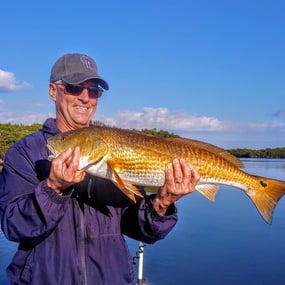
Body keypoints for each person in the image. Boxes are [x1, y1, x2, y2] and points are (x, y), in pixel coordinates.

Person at [0, 53, 200, 285]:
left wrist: (162, 203)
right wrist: (53, 189)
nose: (86, 98)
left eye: (93, 90)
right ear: (53, 91)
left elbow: (138, 228)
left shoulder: (113, 146)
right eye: (74, 87)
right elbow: (14, 228)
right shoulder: (25, 152)